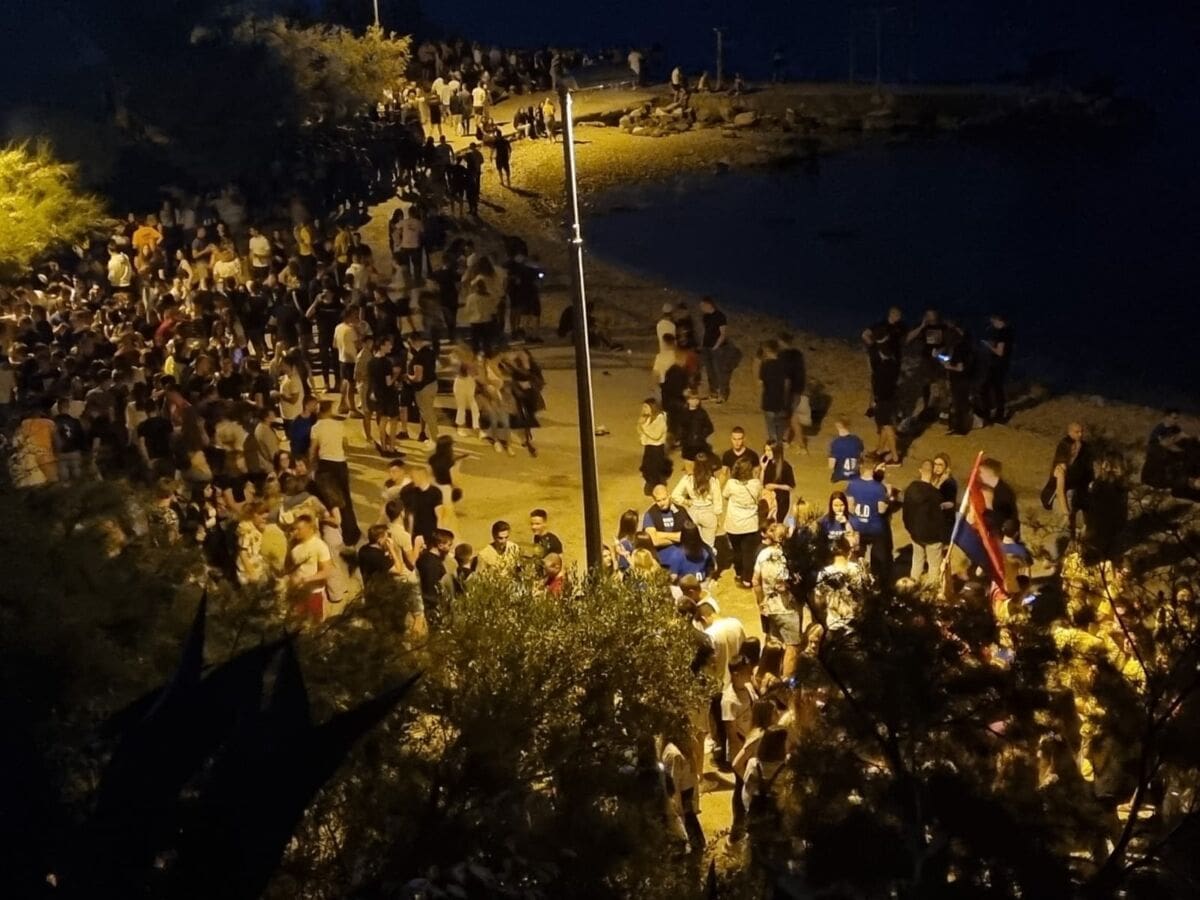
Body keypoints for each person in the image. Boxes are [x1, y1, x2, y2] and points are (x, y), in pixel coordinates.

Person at [752, 523, 801, 678]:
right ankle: (786, 682)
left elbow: (755, 581)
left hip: (770, 608)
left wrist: (761, 602)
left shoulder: (762, 554)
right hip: (788, 610)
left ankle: (765, 678)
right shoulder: (791, 556)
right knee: (792, 648)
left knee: (774, 644)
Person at [846, 463, 894, 584]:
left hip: (857, 526)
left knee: (856, 556)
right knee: (878, 559)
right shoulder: (879, 488)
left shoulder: (852, 485)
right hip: (875, 528)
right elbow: (881, 509)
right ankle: (876, 582)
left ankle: (856, 581)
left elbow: (850, 507)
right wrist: (888, 495)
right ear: (873, 468)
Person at [902, 460, 946, 585]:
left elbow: (905, 512)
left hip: (915, 534)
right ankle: (931, 589)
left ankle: (911, 586)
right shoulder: (935, 495)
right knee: (934, 566)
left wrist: (910, 529)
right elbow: (940, 518)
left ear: (920, 470)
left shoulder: (910, 489)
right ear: (933, 473)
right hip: (932, 537)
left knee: (917, 561)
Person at [723, 457, 763, 587]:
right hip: (750, 525)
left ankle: (739, 573)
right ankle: (747, 580)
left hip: (733, 525)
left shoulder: (731, 484)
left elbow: (725, 495)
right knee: (748, 554)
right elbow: (759, 498)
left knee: (737, 551)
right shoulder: (756, 484)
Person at [671, 453, 723, 549]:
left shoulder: (688, 479)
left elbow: (675, 495)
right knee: (709, 545)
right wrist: (718, 519)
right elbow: (717, 503)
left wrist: (686, 502)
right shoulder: (713, 481)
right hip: (709, 514)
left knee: (694, 544)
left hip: (693, 513)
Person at [287, 513, 332, 621]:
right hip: (297, 592)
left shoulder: (320, 546)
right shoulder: (294, 544)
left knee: (314, 623)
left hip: (313, 593)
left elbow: (327, 571)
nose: (295, 532)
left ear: (310, 529)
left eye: (299, 529)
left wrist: (306, 579)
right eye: (294, 529)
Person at [405, 331, 440, 446]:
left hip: (423, 389)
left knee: (427, 414)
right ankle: (434, 436)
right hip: (433, 384)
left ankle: (434, 439)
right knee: (430, 412)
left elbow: (418, 378)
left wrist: (407, 376)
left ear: (412, 342)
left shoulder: (418, 358)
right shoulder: (430, 352)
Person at [979, 313, 1013, 424]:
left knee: (987, 388)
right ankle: (998, 413)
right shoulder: (1008, 331)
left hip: (997, 365)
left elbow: (999, 352)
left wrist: (988, 345)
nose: (992, 325)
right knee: (997, 389)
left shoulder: (1002, 333)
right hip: (1002, 364)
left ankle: (991, 413)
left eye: (993, 322)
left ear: (998, 321)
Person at [416, 528, 455, 625]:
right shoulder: (432, 564)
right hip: (432, 609)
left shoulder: (425, 558)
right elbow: (431, 589)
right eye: (449, 545)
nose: (450, 548)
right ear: (440, 545)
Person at [757, 340, 790, 444]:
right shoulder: (784, 365)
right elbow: (787, 383)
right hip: (781, 398)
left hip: (768, 398)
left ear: (768, 351)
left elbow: (761, 383)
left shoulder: (765, 365)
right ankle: (780, 440)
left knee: (770, 422)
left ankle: (773, 440)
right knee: (780, 421)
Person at [699, 297, 731, 402]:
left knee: (719, 371)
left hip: (717, 348)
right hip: (706, 347)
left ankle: (722, 394)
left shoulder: (720, 316)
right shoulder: (705, 317)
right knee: (710, 371)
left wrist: (716, 346)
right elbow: (706, 331)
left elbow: (723, 334)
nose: (701, 308)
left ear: (709, 305)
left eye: (702, 305)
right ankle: (713, 393)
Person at [643, 484, 693, 549]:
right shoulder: (650, 514)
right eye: (658, 501)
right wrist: (679, 538)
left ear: (669, 496)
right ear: (654, 500)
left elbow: (690, 534)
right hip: (661, 551)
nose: (662, 503)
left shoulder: (680, 511)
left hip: (682, 550)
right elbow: (654, 541)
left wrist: (660, 534)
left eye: (664, 499)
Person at [638, 398, 671, 494]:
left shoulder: (660, 418)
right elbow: (640, 431)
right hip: (649, 446)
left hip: (656, 448)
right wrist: (641, 423)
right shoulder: (649, 417)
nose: (643, 409)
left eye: (646, 407)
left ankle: (656, 488)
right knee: (646, 468)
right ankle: (650, 484)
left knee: (654, 469)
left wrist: (643, 428)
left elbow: (656, 435)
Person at [760, 441, 796, 524]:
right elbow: (762, 483)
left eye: (769, 450)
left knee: (777, 523)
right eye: (766, 450)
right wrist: (763, 469)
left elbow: (791, 486)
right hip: (768, 499)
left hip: (781, 500)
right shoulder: (767, 463)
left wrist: (775, 486)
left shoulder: (785, 466)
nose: (767, 453)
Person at [677, 391, 714, 461]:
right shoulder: (684, 413)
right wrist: (682, 438)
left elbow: (710, 428)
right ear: (688, 400)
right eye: (692, 399)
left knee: (699, 463)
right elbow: (680, 427)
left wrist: (700, 435)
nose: (694, 401)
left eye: (696, 399)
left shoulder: (702, 413)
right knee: (688, 463)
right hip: (687, 445)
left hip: (699, 445)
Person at [827, 418, 864, 483]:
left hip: (840, 475)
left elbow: (831, 466)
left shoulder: (836, 443)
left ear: (837, 426)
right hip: (855, 475)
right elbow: (861, 458)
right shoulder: (857, 440)